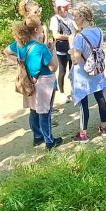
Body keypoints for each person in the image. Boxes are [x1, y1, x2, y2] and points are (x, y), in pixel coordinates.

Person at [5, 17, 63, 150]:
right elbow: (53, 67)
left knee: (33, 109)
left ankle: (37, 136)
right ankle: (49, 140)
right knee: (45, 112)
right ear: (37, 29)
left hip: (28, 82)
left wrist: (19, 61)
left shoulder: (20, 43)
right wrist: (52, 50)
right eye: (41, 26)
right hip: (43, 82)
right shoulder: (40, 47)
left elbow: (7, 51)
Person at [70, 4, 106, 141]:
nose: (73, 19)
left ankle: (83, 133)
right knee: (100, 98)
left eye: (75, 16)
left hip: (83, 74)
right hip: (97, 69)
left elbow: (75, 59)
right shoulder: (99, 31)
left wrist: (71, 48)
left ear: (82, 17)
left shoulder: (79, 37)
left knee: (84, 103)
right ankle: (104, 127)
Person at [49, 0, 76, 99]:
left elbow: (75, 28)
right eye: (64, 6)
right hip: (62, 47)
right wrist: (69, 37)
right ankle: (62, 92)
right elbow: (55, 35)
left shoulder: (70, 16)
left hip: (72, 46)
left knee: (73, 70)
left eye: (66, 5)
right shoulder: (55, 19)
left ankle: (74, 90)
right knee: (62, 71)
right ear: (59, 8)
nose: (66, 7)